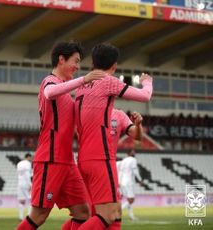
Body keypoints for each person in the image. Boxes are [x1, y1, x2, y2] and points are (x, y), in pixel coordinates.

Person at [17, 41, 105, 230]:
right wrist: (84, 79)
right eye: (75, 61)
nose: (78, 66)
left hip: (67, 161)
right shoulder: (50, 82)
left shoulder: (66, 91)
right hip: (50, 159)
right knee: (39, 215)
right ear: (61, 59)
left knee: (83, 212)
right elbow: (49, 93)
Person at [75, 43, 152, 230]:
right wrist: (147, 81)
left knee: (115, 211)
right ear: (114, 66)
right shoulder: (108, 81)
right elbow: (145, 96)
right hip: (101, 157)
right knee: (108, 215)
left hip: (84, 158)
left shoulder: (81, 85)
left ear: (93, 62)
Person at [118, 149, 143, 221]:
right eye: (133, 152)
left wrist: (119, 181)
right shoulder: (133, 160)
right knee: (131, 200)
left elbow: (121, 172)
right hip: (129, 182)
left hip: (123, 182)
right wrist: (140, 180)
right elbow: (135, 170)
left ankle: (131, 216)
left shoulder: (124, 160)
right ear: (129, 153)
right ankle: (118, 210)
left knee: (129, 200)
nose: (134, 153)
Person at [17, 153, 32, 220]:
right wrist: (30, 184)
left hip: (20, 183)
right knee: (30, 199)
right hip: (26, 183)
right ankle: (29, 216)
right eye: (30, 158)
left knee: (22, 200)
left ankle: (21, 217)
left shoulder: (19, 163)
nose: (30, 159)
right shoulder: (28, 163)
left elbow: (19, 174)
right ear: (28, 157)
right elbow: (27, 174)